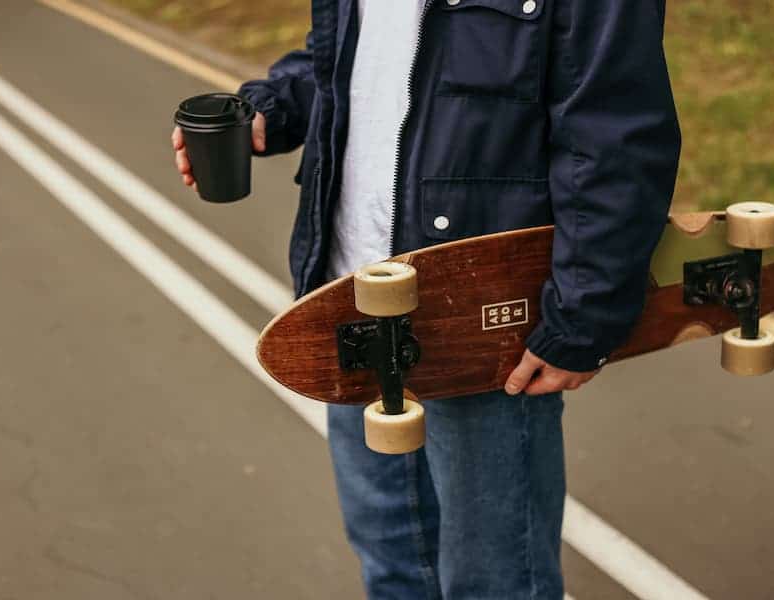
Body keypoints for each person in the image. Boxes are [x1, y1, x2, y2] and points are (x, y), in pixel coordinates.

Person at [173, 0, 680, 597]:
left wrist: (584, 319)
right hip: (351, 305)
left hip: (478, 330)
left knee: (496, 585)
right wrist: (271, 108)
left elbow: (616, 131)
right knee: (392, 568)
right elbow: (348, 62)